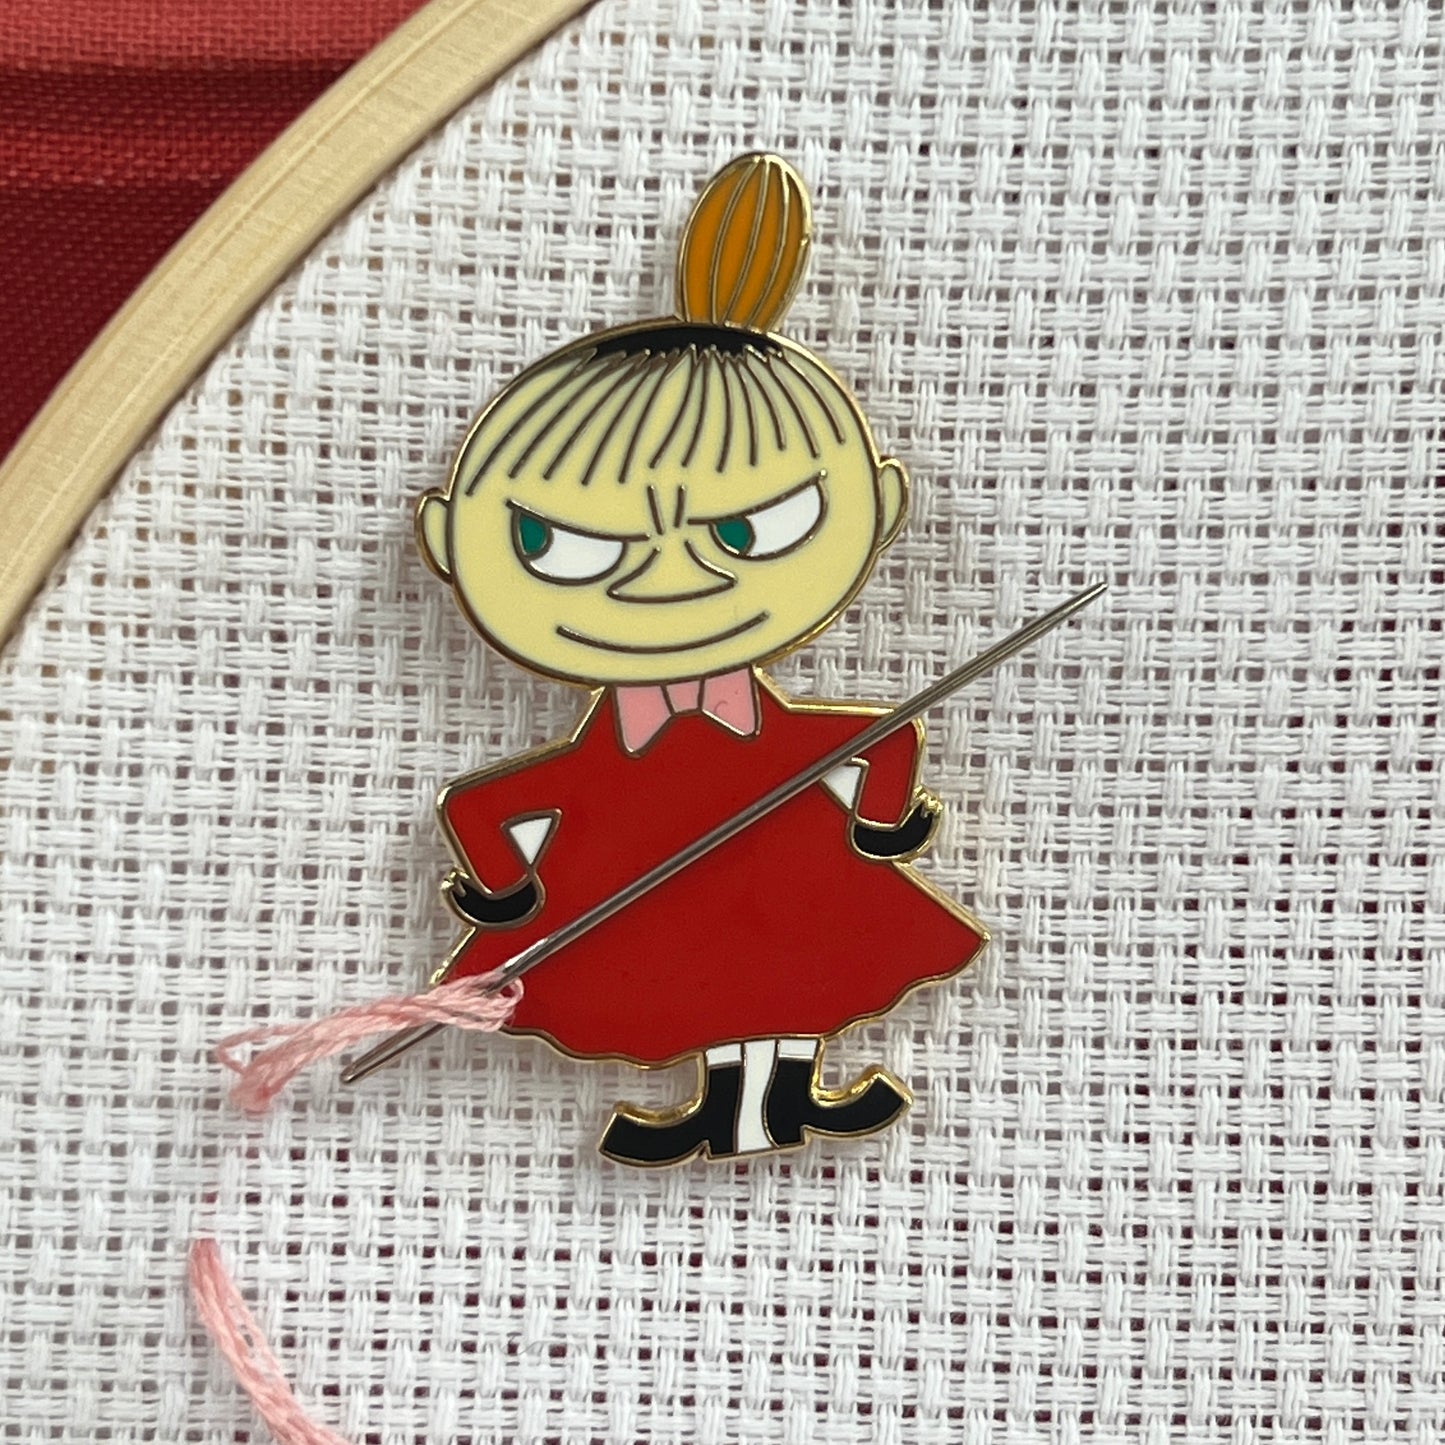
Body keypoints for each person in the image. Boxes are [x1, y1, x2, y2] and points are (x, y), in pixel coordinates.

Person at [415, 153, 986, 1165]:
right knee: (685, 962)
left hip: (764, 812)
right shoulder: (609, 745)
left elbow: (878, 737)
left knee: (783, 950)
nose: (667, 579)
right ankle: (733, 1106)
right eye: (561, 545)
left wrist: (880, 819)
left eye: (748, 531)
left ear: (881, 507)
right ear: (444, 544)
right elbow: (484, 802)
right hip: (635, 821)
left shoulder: (779, 730)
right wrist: (502, 888)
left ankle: (776, 1100)